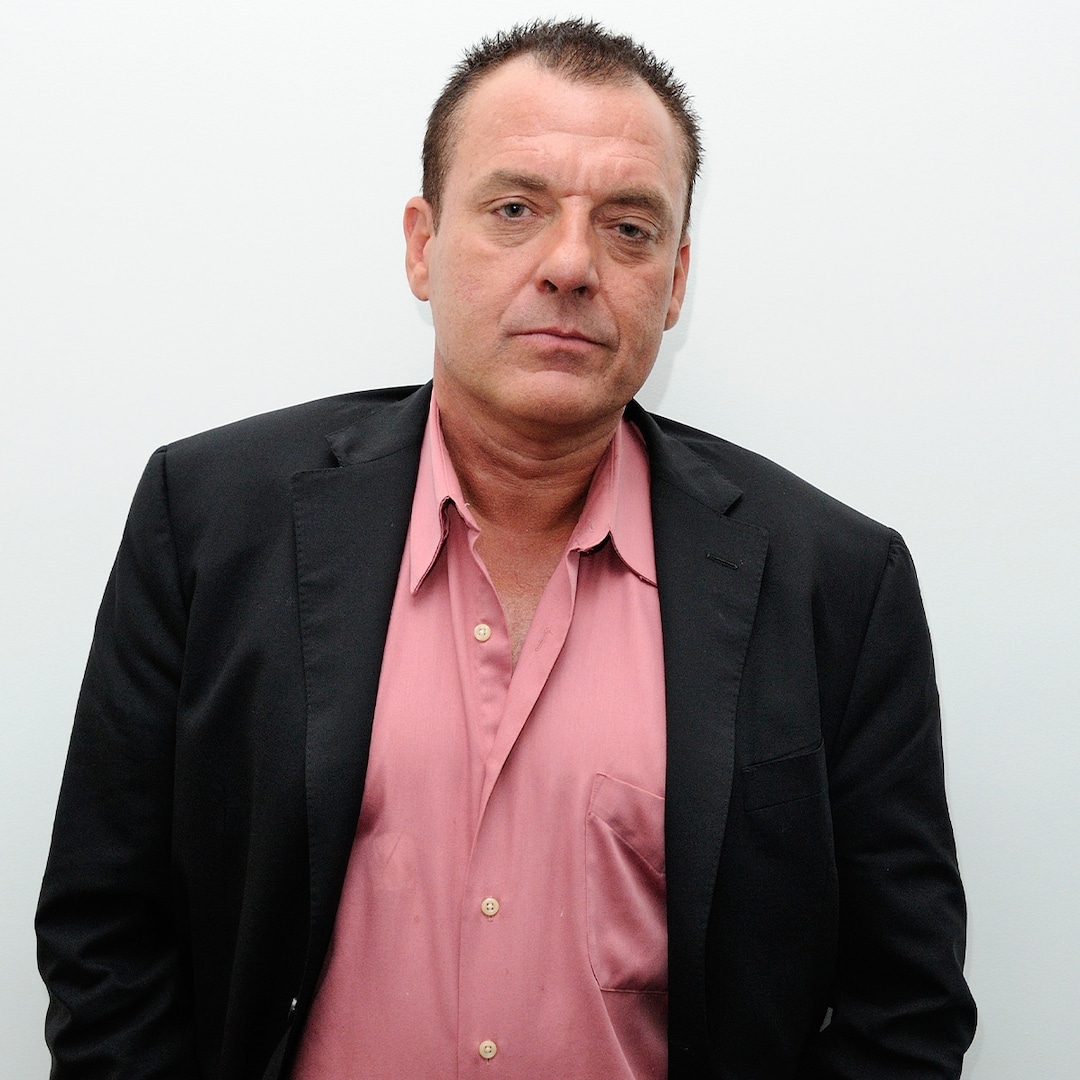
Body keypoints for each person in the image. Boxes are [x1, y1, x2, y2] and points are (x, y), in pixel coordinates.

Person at [36, 18, 976, 1080]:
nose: (571, 264)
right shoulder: (210, 522)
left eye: (628, 228)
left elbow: (904, 1003)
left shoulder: (836, 586)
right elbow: (105, 935)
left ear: (675, 281)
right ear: (421, 245)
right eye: (516, 209)